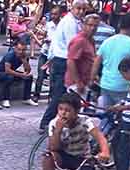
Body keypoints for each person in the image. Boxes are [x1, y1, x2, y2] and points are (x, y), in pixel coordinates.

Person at [37, 93, 110, 170]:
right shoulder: (54, 123)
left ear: (76, 112)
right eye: (60, 109)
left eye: (67, 110)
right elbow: (53, 147)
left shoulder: (85, 121)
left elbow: (100, 137)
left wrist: (105, 152)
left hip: (82, 159)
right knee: (48, 156)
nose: (63, 113)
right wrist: (58, 130)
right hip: (63, 155)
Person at [39, 0, 87, 133]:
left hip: (63, 59)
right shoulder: (70, 22)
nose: (81, 12)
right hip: (64, 60)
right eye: (78, 8)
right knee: (60, 94)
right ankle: (46, 122)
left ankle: (61, 121)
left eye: (84, 9)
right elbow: (74, 45)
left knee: (64, 93)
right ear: (72, 7)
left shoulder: (75, 21)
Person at [91, 14, 130, 132]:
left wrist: (93, 77)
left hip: (105, 85)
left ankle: (99, 142)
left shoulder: (107, 42)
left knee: (106, 116)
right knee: (121, 120)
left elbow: (96, 62)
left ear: (120, 25)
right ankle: (114, 144)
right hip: (124, 87)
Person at [65, 13, 98, 101]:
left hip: (85, 82)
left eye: (95, 26)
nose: (93, 28)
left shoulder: (91, 40)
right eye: (90, 25)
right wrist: (78, 82)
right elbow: (71, 61)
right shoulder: (79, 41)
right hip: (76, 83)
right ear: (84, 25)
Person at [32, 6, 60, 104]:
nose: (53, 16)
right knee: (40, 75)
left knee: (52, 77)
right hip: (45, 51)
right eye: (52, 14)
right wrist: (44, 40)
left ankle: (51, 97)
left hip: (55, 55)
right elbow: (44, 36)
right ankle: (36, 95)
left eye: (55, 14)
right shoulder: (49, 25)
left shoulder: (62, 26)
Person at [0, 41, 37, 108]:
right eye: (19, 49)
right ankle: (5, 99)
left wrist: (24, 61)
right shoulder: (10, 55)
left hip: (13, 72)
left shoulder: (24, 55)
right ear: (15, 48)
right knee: (9, 77)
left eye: (23, 50)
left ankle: (26, 98)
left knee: (29, 77)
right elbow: (7, 70)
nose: (21, 52)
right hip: (2, 73)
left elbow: (28, 70)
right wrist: (21, 75)